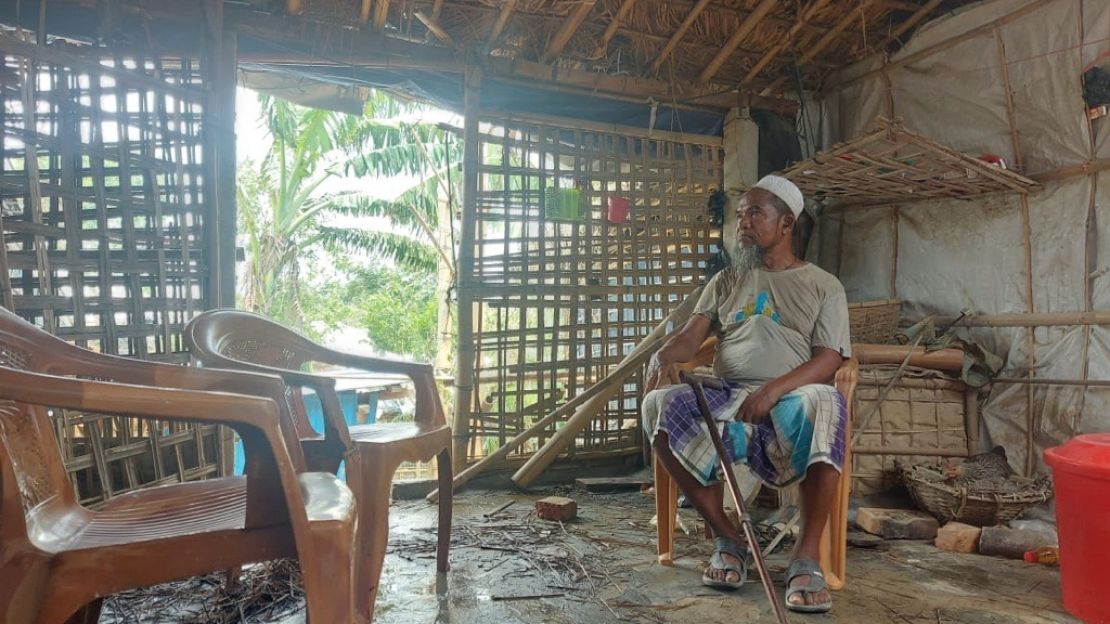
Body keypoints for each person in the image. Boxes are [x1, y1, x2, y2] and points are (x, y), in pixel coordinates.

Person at [642, 175, 851, 614]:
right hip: (726, 391)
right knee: (659, 405)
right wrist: (664, 355)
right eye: (740, 215)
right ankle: (728, 538)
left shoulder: (823, 285)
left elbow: (829, 358)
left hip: (792, 392)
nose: (743, 224)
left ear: (787, 223)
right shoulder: (725, 280)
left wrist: (773, 391)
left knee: (827, 401)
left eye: (756, 213)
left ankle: (806, 556)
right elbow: (689, 338)